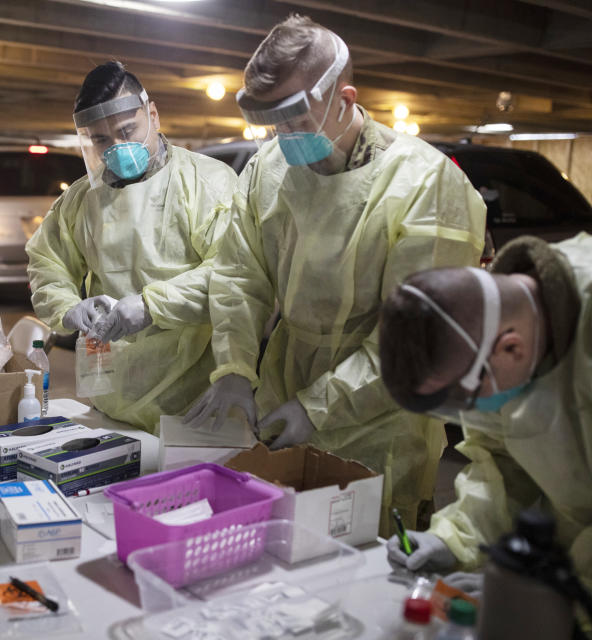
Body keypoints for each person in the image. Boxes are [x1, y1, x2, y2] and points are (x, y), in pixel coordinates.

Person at [183, 15, 486, 535]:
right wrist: (234, 368)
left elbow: (414, 338)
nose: (284, 138)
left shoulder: (424, 183)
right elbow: (240, 274)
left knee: (367, 562)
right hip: (284, 394)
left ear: (344, 99)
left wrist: (320, 406)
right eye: (274, 125)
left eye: (296, 123)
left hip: (383, 418)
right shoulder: (270, 168)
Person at [26, 61, 237, 431]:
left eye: (127, 131)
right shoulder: (81, 201)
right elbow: (47, 263)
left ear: (153, 115)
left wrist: (151, 306)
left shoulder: (208, 184)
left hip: (192, 401)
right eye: (101, 140)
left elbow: (233, 273)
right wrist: (68, 307)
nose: (118, 148)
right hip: (110, 398)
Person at [379, 234, 592, 585]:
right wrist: (453, 538)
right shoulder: (490, 331)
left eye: (473, 397)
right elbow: (499, 461)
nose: (479, 410)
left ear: (512, 348)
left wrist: (554, 590)